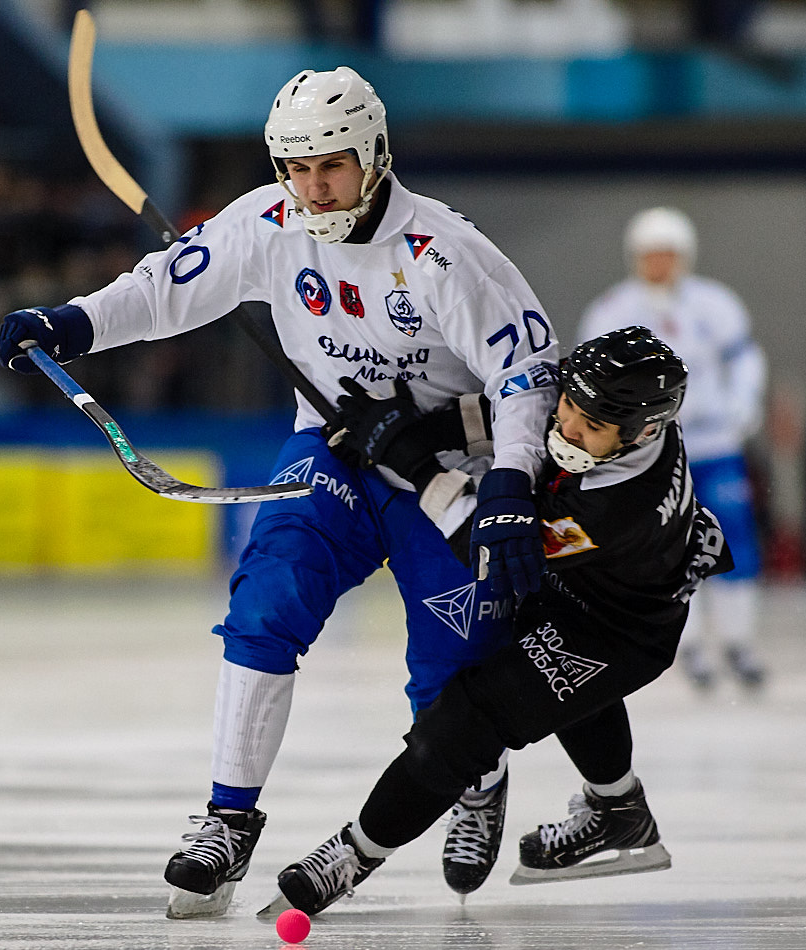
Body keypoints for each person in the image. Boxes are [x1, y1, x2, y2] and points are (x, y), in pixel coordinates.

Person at [0, 66, 559, 918]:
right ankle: (228, 821)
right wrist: (70, 324)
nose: (310, 187)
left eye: (329, 165)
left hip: (447, 464)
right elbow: (165, 288)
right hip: (332, 452)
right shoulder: (265, 220)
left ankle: (475, 776)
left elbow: (525, 371)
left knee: (449, 665)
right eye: (293, 168)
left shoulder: (446, 253)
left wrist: (514, 479)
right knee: (267, 599)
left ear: (373, 156)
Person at [270, 327, 733, 916]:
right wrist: (405, 428)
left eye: (590, 428)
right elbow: (516, 415)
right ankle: (619, 810)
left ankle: (355, 854)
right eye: (569, 405)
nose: (568, 428)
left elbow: (487, 543)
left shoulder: (620, 504)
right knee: (573, 695)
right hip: (590, 586)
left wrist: (406, 454)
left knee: (468, 719)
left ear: (641, 433)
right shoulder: (616, 420)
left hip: (617, 630)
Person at [577, 207, 767, 691]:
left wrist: (743, 405)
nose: (659, 263)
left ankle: (738, 639)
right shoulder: (613, 311)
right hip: (653, 451)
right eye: (650, 255)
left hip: (715, 441)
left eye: (668, 254)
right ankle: (689, 646)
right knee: (669, 548)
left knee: (733, 538)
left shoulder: (715, 304)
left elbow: (744, 358)